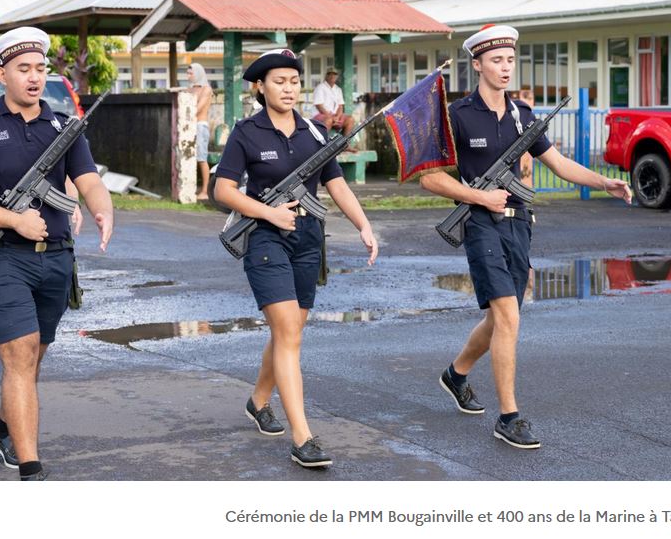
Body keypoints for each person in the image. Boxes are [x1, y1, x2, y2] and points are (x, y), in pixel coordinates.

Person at [419, 24, 632, 449]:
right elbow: (429, 179)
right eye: (496, 60)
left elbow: (559, 164)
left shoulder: (523, 115)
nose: (505, 67)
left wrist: (604, 181)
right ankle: (509, 416)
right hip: (481, 224)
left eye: (510, 60)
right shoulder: (457, 116)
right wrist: (478, 196)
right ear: (477, 64)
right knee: (510, 318)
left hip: (519, 224)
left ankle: (455, 374)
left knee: (501, 317)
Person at [0, 27, 113, 481]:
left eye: (40, 68)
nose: (34, 77)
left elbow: (88, 178)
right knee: (19, 357)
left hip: (56, 257)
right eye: (24, 69)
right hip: (3, 259)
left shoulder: (62, 126)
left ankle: (5, 428)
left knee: (33, 357)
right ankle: (31, 466)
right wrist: (13, 219)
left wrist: (102, 208)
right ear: (2, 74)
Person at [213, 48, 378, 469]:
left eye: (293, 81)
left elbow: (337, 185)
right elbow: (223, 190)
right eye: (279, 81)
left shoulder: (314, 133)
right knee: (289, 332)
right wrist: (268, 211)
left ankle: (258, 400)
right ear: (260, 87)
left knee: (290, 329)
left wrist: (363, 225)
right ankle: (302, 436)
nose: (288, 88)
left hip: (308, 238)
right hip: (266, 237)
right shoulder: (246, 133)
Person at [186, 63, 213, 200]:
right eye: (188, 73)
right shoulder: (190, 89)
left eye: (191, 73)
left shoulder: (206, 89)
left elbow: (198, 108)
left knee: (202, 158)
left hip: (200, 126)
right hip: (188, 127)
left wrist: (185, 116)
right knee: (188, 158)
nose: (188, 75)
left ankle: (205, 191)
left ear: (198, 73)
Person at [312, 67, 356, 149]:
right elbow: (319, 106)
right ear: (326, 76)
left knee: (350, 119)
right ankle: (321, 147)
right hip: (321, 115)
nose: (332, 76)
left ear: (337, 76)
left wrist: (337, 117)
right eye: (330, 74)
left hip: (334, 116)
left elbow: (340, 106)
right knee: (329, 120)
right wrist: (331, 117)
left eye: (334, 74)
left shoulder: (338, 89)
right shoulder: (320, 87)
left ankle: (346, 146)